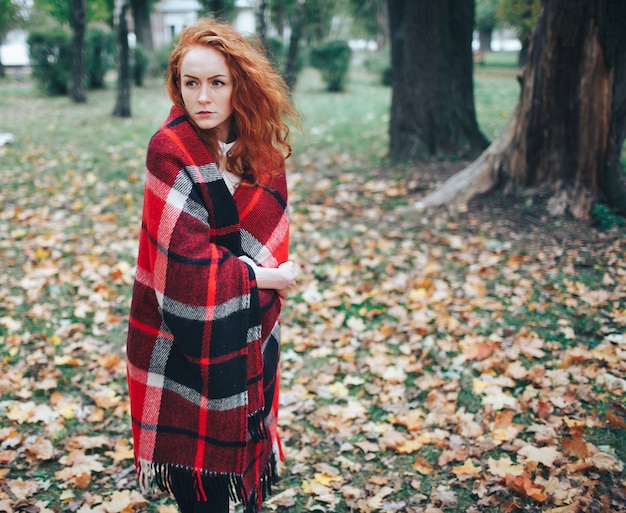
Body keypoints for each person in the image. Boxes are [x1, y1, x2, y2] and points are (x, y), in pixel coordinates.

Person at [125, 18, 299, 513]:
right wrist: (266, 277)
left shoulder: (262, 151)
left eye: (217, 83)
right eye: (191, 83)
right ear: (178, 86)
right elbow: (188, 272)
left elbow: (266, 238)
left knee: (245, 484)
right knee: (201, 492)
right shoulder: (169, 149)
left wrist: (252, 271)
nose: (203, 97)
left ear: (238, 84)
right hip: (176, 338)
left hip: (247, 339)